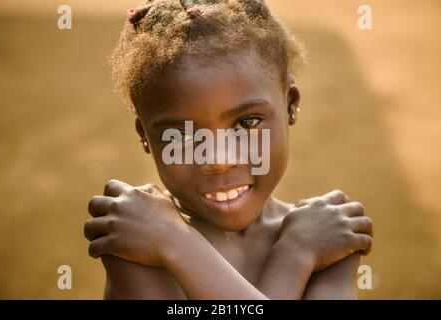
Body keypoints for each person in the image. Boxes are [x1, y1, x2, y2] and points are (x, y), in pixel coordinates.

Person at [84, 0, 373, 299]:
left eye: (246, 122)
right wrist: (295, 256)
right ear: (145, 136)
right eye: (182, 135)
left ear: (289, 104)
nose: (219, 161)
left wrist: (174, 245)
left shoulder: (326, 233)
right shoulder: (137, 236)